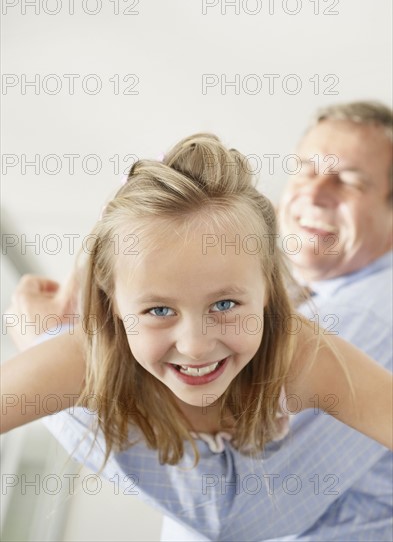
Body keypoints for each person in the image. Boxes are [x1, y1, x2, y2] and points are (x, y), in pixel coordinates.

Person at [1, 132, 392, 541]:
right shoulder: (78, 360)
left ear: (268, 293)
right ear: (114, 306)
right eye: (159, 310)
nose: (195, 345)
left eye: (225, 305)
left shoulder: (304, 358)